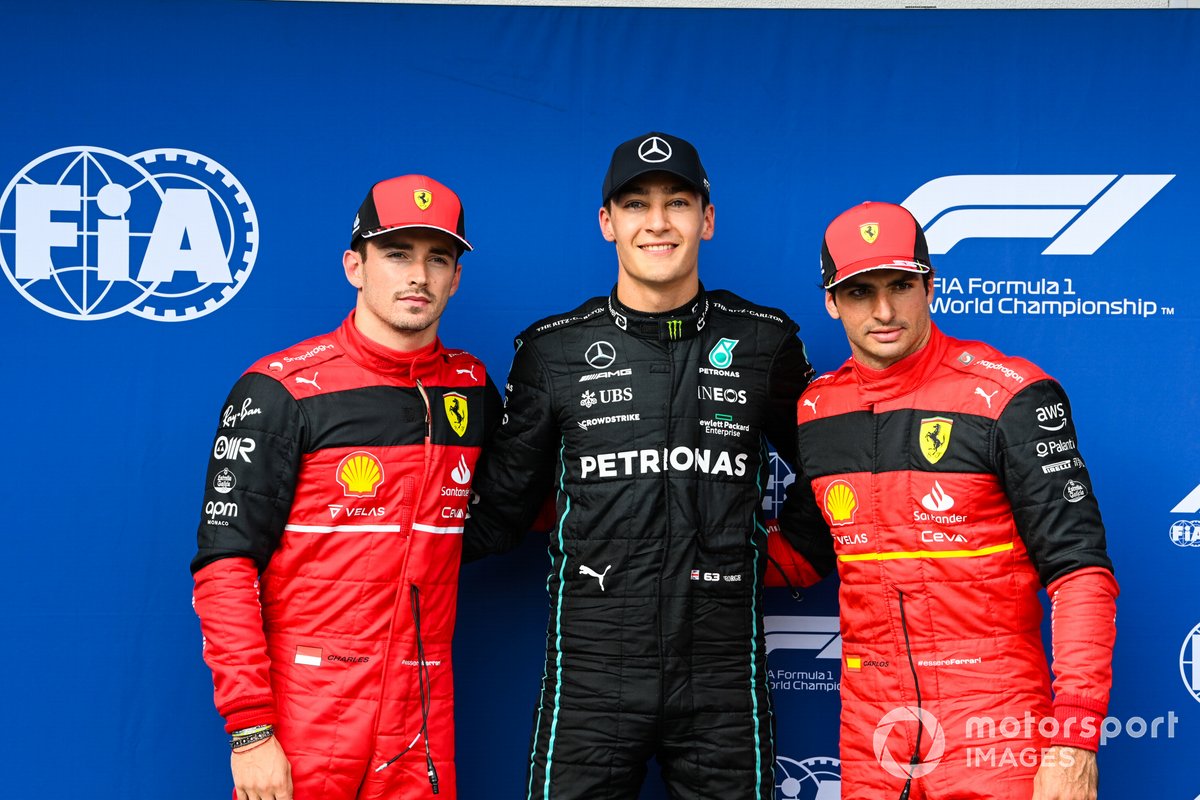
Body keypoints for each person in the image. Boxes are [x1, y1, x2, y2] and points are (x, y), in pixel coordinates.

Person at [463, 132, 814, 799]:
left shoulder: (764, 341)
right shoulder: (553, 351)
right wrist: (385, 547)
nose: (657, 222)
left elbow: (834, 471)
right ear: (608, 223)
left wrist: (789, 558)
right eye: (636, 205)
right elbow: (504, 509)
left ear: (706, 219)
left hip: (722, 676)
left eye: (677, 202)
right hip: (591, 678)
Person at [767, 201, 1118, 800]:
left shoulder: (1012, 395)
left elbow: (1081, 573)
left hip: (994, 718)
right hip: (872, 729)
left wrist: (1074, 740)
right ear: (831, 301)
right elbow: (803, 555)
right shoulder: (817, 412)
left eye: (900, 286)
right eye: (858, 292)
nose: (883, 310)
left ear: (932, 286)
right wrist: (679, 543)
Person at [191, 174, 500, 800]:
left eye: (437, 258)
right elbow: (224, 567)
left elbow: (511, 510)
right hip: (309, 710)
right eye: (396, 254)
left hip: (422, 707)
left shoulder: (470, 389)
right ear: (354, 266)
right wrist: (250, 731)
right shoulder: (280, 390)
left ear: (455, 277)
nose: (418, 275)